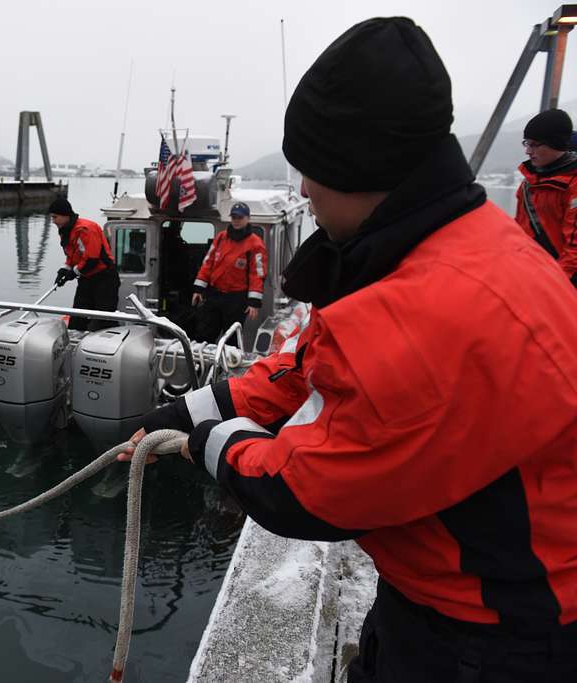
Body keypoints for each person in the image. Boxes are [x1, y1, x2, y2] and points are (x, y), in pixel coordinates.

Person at [122, 16, 577, 682]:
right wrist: (198, 404)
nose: (302, 189)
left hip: (498, 636)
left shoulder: (427, 316)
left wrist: (206, 443)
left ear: (357, 166)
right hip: (436, 597)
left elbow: (305, 492)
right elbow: (305, 363)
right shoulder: (459, 248)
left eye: (312, 169)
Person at [514, 108, 577, 287]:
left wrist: (556, 286)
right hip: (530, 274)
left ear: (555, 144)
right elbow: (520, 229)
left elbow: (574, 248)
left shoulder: (573, 184)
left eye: (534, 145)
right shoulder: (529, 184)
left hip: (559, 281)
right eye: (526, 143)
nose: (527, 151)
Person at [191, 202, 267, 342]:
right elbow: (208, 263)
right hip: (214, 295)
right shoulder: (221, 238)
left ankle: (229, 363)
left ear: (247, 218)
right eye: (234, 217)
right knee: (204, 334)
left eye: (240, 217)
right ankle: (201, 363)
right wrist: (199, 289)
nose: (236, 221)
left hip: (236, 300)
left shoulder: (255, 244)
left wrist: (253, 302)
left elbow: (257, 274)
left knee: (231, 340)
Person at [48, 197, 120, 332]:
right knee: (77, 320)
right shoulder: (66, 231)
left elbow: (91, 260)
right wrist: (64, 270)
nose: (53, 221)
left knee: (104, 320)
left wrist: (73, 273)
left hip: (104, 279)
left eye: (55, 217)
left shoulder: (86, 229)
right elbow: (72, 256)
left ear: (65, 215)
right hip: (87, 278)